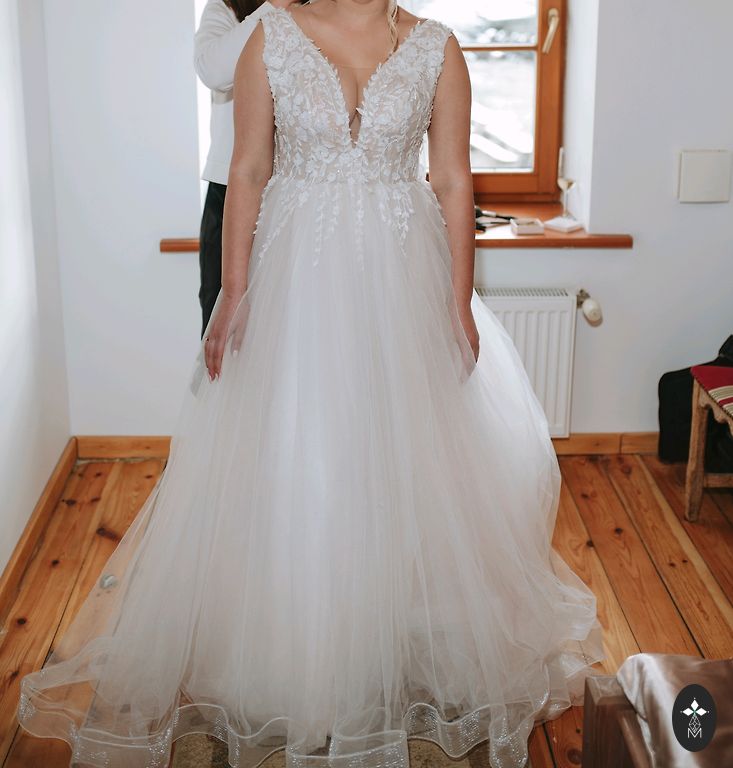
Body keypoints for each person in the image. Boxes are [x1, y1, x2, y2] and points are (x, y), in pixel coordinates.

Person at [17, 2, 606, 767]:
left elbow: (454, 179)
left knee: (397, 459)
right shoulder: (270, 34)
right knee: (302, 451)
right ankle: (299, 644)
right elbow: (247, 169)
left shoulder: (437, 47)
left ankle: (387, 629)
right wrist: (233, 292)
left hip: (400, 277)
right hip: (297, 276)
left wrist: (458, 303)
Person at [194, 0, 300, 338]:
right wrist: (276, 6)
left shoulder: (322, 11)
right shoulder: (224, 7)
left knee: (290, 323)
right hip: (229, 192)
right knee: (223, 326)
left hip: (301, 192)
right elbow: (213, 71)